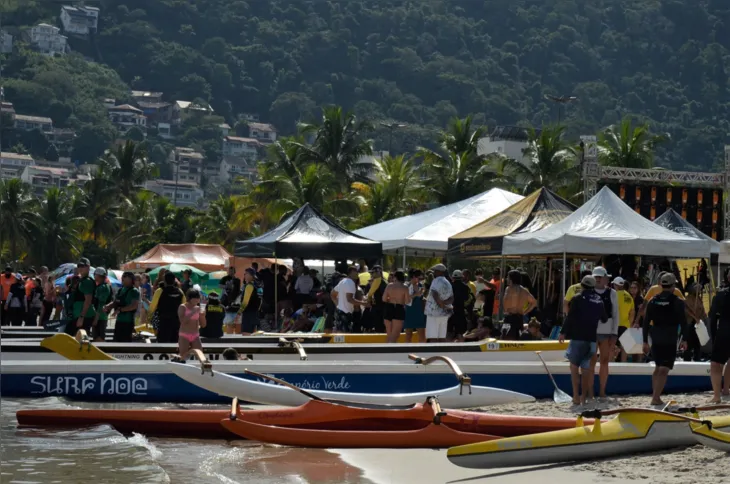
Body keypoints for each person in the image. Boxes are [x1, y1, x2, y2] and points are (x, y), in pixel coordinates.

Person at [559, 275, 608, 406]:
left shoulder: (577, 298)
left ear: (582, 285)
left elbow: (569, 317)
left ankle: (575, 396)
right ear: (593, 287)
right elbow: (604, 319)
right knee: (586, 369)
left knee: (574, 368)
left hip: (577, 337)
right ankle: (584, 398)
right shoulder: (599, 300)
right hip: (591, 339)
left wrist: (563, 332)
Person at [643, 273, 686, 406]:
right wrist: (684, 339)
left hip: (655, 336)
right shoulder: (677, 302)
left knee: (657, 367)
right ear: (673, 286)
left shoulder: (653, 300)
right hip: (669, 337)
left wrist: (644, 341)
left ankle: (655, 396)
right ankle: (655, 397)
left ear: (661, 285)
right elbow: (684, 322)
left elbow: (645, 322)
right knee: (664, 369)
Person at [586, 266, 619, 401]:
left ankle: (602, 391)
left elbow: (616, 314)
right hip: (592, 332)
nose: (598, 280)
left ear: (606, 278)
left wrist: (614, 334)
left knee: (605, 361)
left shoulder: (612, 293)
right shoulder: (588, 292)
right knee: (592, 362)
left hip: (607, 333)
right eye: (596, 277)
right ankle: (590, 392)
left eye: (600, 277)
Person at [708, 269, 730, 403]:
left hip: (725, 330)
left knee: (716, 364)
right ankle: (726, 389)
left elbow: (712, 318)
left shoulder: (721, 295)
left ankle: (716, 396)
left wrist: (714, 336)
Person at [149, 271, 186, 343]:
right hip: (176, 322)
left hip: (164, 322)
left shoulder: (159, 291)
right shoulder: (180, 291)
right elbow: (184, 307)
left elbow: (152, 307)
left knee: (163, 344)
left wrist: (149, 318)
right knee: (174, 344)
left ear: (164, 281)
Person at [502, 270, 537, 340]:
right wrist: (525, 311)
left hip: (510, 317)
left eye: (508, 277)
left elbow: (505, 303)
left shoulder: (508, 289)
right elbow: (534, 302)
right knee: (517, 339)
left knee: (507, 340)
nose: (506, 279)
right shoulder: (524, 290)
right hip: (519, 317)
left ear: (511, 279)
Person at [106, 272, 140, 342]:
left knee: (126, 344)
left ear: (130, 279)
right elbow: (115, 302)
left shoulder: (134, 291)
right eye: (123, 276)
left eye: (125, 276)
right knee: (116, 342)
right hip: (119, 321)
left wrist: (120, 310)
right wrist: (108, 306)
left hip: (128, 322)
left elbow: (134, 306)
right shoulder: (120, 290)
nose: (122, 278)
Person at [331, 266, 366, 333]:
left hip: (340, 312)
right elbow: (349, 299)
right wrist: (363, 303)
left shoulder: (342, 281)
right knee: (345, 335)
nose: (358, 273)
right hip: (345, 313)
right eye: (356, 271)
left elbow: (332, 294)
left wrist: (338, 305)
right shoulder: (350, 283)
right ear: (351, 272)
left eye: (358, 271)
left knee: (340, 334)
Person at [424, 264, 453, 342]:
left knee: (433, 336)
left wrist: (441, 304)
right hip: (444, 314)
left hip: (434, 313)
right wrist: (444, 304)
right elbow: (451, 298)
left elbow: (434, 294)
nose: (434, 272)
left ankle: (433, 352)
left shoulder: (436, 281)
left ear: (438, 271)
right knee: (442, 336)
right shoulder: (448, 282)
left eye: (435, 271)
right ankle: (442, 352)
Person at [69, 258, 96, 336]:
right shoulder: (82, 280)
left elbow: (88, 300)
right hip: (78, 315)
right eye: (79, 266)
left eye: (83, 266)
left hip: (84, 316)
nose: (80, 268)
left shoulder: (87, 281)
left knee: (80, 340)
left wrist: (81, 317)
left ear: (88, 267)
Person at [382, 269, 411, 343]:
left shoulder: (389, 286)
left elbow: (384, 299)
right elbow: (408, 301)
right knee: (395, 335)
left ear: (395, 277)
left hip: (388, 307)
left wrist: (391, 299)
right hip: (399, 308)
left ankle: (385, 352)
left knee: (389, 335)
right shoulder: (405, 287)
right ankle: (390, 353)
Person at [177, 288, 206, 359]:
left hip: (195, 335)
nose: (197, 300)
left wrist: (202, 316)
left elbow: (203, 325)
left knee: (200, 355)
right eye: (195, 298)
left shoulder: (198, 308)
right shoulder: (182, 307)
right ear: (189, 298)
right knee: (183, 356)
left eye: (198, 298)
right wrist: (193, 311)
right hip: (184, 335)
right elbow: (183, 322)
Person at [613, 277, 635, 362]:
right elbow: (632, 312)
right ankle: (623, 363)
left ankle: (611, 363)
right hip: (625, 325)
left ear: (616, 285)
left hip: (614, 325)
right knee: (624, 346)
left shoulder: (614, 294)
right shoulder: (629, 296)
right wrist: (629, 324)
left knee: (612, 346)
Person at [684, 283, 708, 362]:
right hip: (690, 323)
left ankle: (697, 359)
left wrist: (704, 319)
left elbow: (702, 311)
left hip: (698, 324)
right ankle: (687, 359)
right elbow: (686, 310)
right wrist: (694, 317)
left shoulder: (699, 299)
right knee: (689, 343)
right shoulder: (687, 299)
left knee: (697, 343)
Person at [449, 270, 474, 341]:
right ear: (461, 277)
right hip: (461, 313)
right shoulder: (466, 287)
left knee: (449, 333)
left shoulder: (450, 286)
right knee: (460, 333)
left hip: (450, 312)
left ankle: (447, 348)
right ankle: (461, 348)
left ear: (453, 277)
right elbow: (467, 299)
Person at [235, 268, 260, 334]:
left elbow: (245, 302)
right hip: (255, 314)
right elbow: (260, 300)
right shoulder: (257, 286)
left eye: (246, 274)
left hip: (248, 314)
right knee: (253, 337)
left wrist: (239, 313)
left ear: (251, 275)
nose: (244, 275)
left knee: (246, 336)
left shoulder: (249, 286)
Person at [90, 268, 113, 342]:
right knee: (96, 338)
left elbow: (101, 304)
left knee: (99, 339)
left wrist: (96, 318)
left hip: (100, 317)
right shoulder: (100, 286)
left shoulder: (103, 287)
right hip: (99, 316)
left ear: (98, 275)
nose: (94, 276)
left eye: (95, 275)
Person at [366, 265, 386, 333]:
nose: (371, 274)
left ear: (379, 273)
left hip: (381, 309)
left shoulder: (383, 283)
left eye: (373, 273)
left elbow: (384, 297)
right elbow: (368, 294)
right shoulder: (372, 282)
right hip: (374, 308)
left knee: (380, 328)